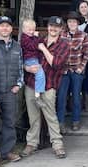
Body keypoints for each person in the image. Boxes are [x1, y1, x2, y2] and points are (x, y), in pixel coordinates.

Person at [21, 16, 70, 159]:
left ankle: (57, 144)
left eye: (57, 27)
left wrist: (43, 49)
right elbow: (24, 57)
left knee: (50, 115)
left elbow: (56, 64)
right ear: (48, 26)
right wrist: (27, 68)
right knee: (33, 115)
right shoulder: (37, 39)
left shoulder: (64, 45)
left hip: (49, 85)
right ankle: (32, 143)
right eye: (51, 25)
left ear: (61, 29)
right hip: (32, 83)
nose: (53, 29)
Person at [0, 16, 23, 163]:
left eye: (8, 26)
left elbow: (21, 68)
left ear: (11, 29)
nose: (5, 28)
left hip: (10, 91)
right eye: (1, 26)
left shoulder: (17, 46)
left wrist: (19, 84)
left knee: (10, 122)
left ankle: (6, 152)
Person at [57, 11, 88, 134]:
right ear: (67, 23)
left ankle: (76, 121)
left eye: (74, 22)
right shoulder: (61, 35)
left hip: (77, 70)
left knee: (76, 97)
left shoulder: (83, 35)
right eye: (70, 21)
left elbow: (87, 54)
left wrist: (81, 68)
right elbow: (57, 52)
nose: (72, 24)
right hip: (64, 71)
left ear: (78, 23)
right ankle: (60, 122)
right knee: (61, 97)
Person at [20, 18, 46, 106]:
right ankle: (37, 96)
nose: (31, 32)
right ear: (23, 30)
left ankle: (38, 94)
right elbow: (33, 46)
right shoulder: (24, 38)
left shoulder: (31, 38)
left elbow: (41, 43)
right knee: (40, 74)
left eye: (33, 29)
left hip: (34, 59)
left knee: (40, 75)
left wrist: (37, 37)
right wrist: (36, 37)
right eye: (29, 30)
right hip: (29, 59)